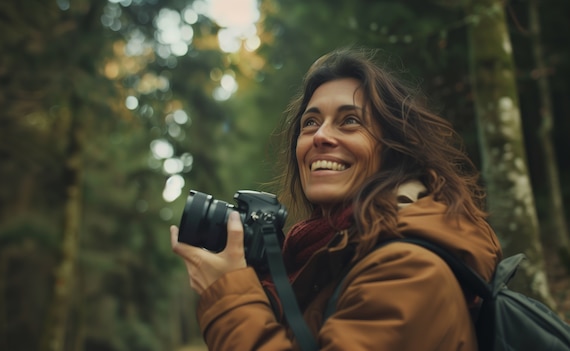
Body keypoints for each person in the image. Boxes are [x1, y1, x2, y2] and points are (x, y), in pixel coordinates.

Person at [170, 47, 502, 350]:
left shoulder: (410, 268)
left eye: (350, 121)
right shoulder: (330, 256)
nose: (322, 136)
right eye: (310, 122)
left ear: (393, 148)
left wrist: (229, 295)